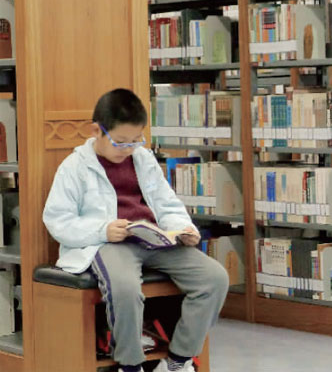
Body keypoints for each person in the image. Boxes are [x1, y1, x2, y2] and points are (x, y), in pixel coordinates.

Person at [43, 89, 229, 372]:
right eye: (120, 142)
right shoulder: (74, 167)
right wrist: (103, 230)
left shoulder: (143, 159)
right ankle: (129, 365)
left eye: (135, 141)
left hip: (153, 240)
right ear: (97, 130)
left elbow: (167, 202)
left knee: (214, 278)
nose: (128, 149)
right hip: (108, 245)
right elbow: (58, 220)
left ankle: (178, 360)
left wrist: (183, 229)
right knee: (125, 288)